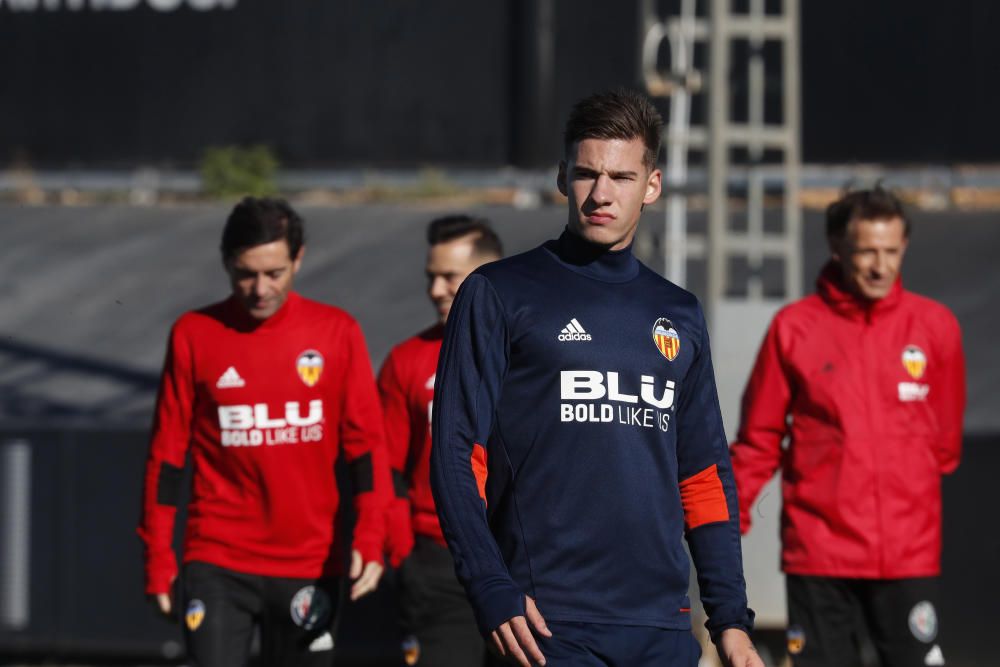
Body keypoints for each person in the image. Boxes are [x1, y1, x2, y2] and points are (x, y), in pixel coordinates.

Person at [429, 89, 762, 667]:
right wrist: (488, 583)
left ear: (652, 185)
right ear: (562, 177)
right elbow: (458, 455)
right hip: (545, 626)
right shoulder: (499, 293)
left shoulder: (678, 313)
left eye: (621, 177)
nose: (601, 194)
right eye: (586, 174)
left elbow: (704, 478)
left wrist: (730, 619)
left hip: (661, 627)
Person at [138, 197, 391, 667]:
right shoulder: (193, 334)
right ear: (226, 263)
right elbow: (167, 459)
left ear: (299, 258)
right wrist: (158, 559)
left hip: (312, 562)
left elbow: (367, 451)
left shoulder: (337, 332)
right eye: (245, 274)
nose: (259, 289)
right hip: (217, 558)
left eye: (274, 273)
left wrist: (370, 537)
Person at [729, 186, 966, 667]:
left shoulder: (935, 326)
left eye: (891, 251)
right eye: (866, 252)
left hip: (906, 554)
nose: (880, 266)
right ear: (838, 249)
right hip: (820, 556)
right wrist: (729, 519)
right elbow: (759, 440)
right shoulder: (794, 328)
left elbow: (945, 444)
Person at [378, 215, 504, 666]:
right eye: (431, 277)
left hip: (521, 561)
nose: (435, 290)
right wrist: (402, 551)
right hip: (437, 564)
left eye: (449, 277)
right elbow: (385, 468)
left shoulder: (533, 353)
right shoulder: (405, 361)